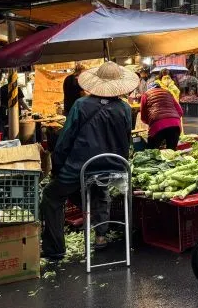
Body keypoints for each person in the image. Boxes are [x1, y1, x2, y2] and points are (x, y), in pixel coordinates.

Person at [40, 62, 138, 260]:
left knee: (51, 195)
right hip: (113, 166)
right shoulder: (125, 109)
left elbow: (65, 140)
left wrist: (57, 167)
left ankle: (55, 249)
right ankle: (101, 236)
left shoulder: (81, 105)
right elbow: (127, 139)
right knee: (98, 188)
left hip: (80, 167)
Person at [140, 79, 184, 149]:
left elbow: (143, 115)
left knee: (152, 152)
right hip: (175, 125)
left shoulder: (145, 95)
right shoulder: (168, 92)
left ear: (148, 89)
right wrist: (171, 119)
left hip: (157, 125)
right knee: (172, 153)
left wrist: (150, 122)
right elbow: (180, 111)